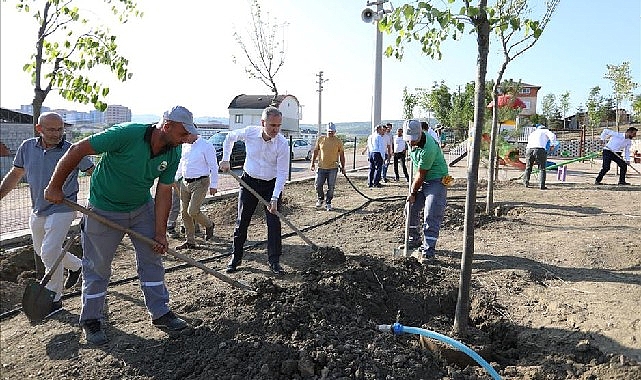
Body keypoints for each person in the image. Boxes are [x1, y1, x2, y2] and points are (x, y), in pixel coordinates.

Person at [44, 105, 197, 345]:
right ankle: (91, 319)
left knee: (152, 258)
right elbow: (77, 149)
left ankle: (160, 313)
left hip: (141, 209)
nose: (186, 139)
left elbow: (164, 191)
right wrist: (55, 186)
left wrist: (160, 233)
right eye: (183, 133)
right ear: (167, 126)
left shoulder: (172, 150)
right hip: (103, 208)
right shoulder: (126, 134)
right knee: (98, 266)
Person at [0, 112, 94, 314]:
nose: (57, 133)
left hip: (64, 207)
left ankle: (55, 299)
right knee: (41, 250)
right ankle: (79, 266)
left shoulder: (73, 150)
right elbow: (16, 174)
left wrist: (99, 199)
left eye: (60, 129)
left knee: (50, 250)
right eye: (51, 129)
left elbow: (93, 172)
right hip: (38, 209)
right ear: (39, 129)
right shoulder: (27, 147)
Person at [220, 106, 289, 275]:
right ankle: (236, 258)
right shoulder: (250, 132)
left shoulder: (282, 143)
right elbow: (229, 137)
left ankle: (274, 261)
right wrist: (225, 159)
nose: (276, 129)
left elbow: (281, 173)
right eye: (272, 125)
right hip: (249, 182)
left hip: (271, 184)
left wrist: (274, 197)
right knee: (242, 220)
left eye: (278, 125)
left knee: (274, 223)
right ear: (263, 123)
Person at [403, 119, 449, 261]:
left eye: (413, 140)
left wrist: (412, 192)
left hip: (438, 179)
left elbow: (422, 174)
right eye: (408, 140)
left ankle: (428, 249)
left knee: (432, 211)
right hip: (421, 177)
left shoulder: (428, 147)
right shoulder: (411, 141)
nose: (410, 143)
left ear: (421, 133)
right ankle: (413, 239)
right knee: (410, 207)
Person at [175, 133, 218, 250]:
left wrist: (214, 184)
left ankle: (209, 224)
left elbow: (214, 166)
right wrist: (175, 178)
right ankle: (190, 241)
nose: (184, 138)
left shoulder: (206, 146)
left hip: (201, 182)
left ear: (193, 132)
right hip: (185, 182)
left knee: (192, 211)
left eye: (186, 135)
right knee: (184, 213)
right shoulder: (185, 145)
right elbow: (182, 163)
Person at [310, 122, 346, 211]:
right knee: (318, 184)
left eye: (332, 131)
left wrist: (343, 166)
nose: (330, 133)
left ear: (335, 131)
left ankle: (328, 202)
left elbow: (341, 154)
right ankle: (320, 198)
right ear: (326, 131)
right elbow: (315, 151)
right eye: (329, 131)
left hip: (333, 167)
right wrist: (312, 163)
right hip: (321, 167)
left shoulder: (338, 141)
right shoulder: (321, 139)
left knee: (331, 186)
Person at [523, 124, 557, 190]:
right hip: (539, 149)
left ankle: (525, 183)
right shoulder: (545, 131)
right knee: (542, 168)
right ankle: (542, 185)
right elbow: (553, 136)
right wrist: (552, 145)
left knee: (528, 167)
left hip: (529, 150)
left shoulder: (533, 133)